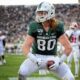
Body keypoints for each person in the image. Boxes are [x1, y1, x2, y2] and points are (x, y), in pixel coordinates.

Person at [18, 2, 74, 80]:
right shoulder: (34, 26)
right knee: (22, 72)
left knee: (70, 77)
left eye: (42, 13)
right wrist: (34, 59)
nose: (40, 15)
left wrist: (59, 61)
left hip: (52, 58)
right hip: (37, 57)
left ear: (50, 12)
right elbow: (25, 47)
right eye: (39, 13)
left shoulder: (58, 26)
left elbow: (68, 48)